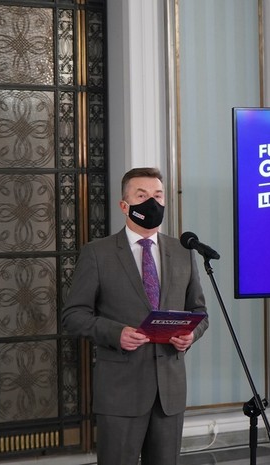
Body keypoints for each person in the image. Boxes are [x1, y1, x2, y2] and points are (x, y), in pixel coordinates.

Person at [62, 167, 208, 464]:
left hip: (169, 393)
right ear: (124, 205)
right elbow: (73, 315)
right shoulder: (97, 253)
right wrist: (116, 333)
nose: (152, 203)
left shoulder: (183, 252)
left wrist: (191, 335)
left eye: (158, 196)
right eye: (142, 196)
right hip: (120, 392)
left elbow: (199, 311)